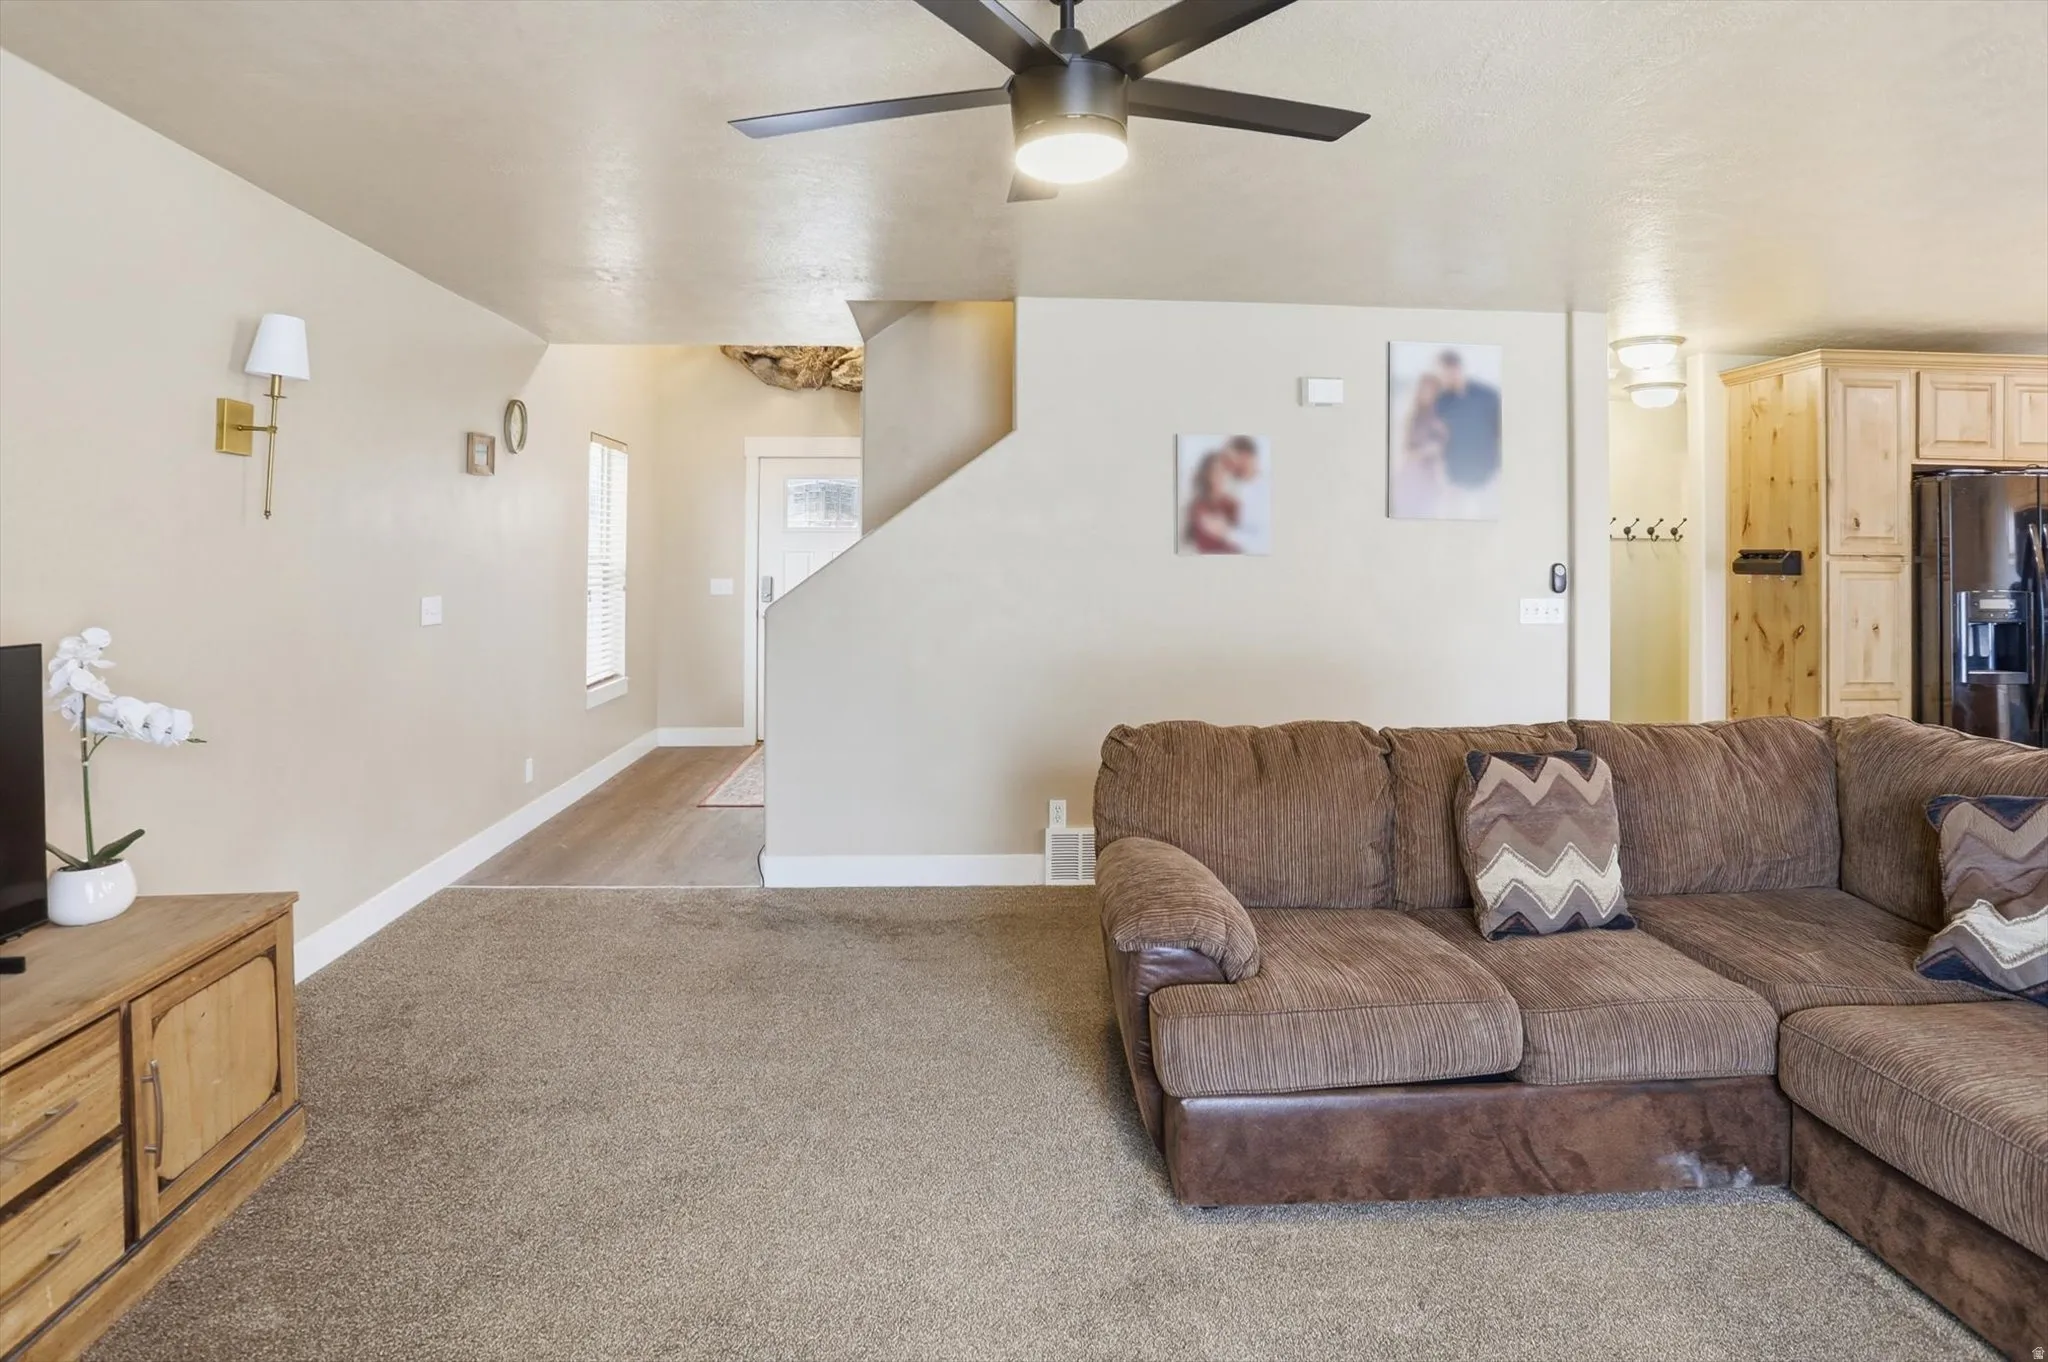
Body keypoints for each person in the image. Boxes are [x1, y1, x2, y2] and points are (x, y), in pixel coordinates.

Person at [1433, 349, 1501, 490]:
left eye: (1448, 372)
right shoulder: (1441, 402)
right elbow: (1439, 438)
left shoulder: (1488, 396)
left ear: (1458, 368)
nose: (1445, 377)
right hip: (1455, 477)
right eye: (1442, 374)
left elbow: (1500, 432)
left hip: (1488, 473)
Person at [1182, 450, 1244, 554]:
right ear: (1207, 474)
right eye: (1216, 471)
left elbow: (1240, 543)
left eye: (1224, 470)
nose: (1221, 476)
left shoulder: (1232, 504)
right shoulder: (1198, 506)